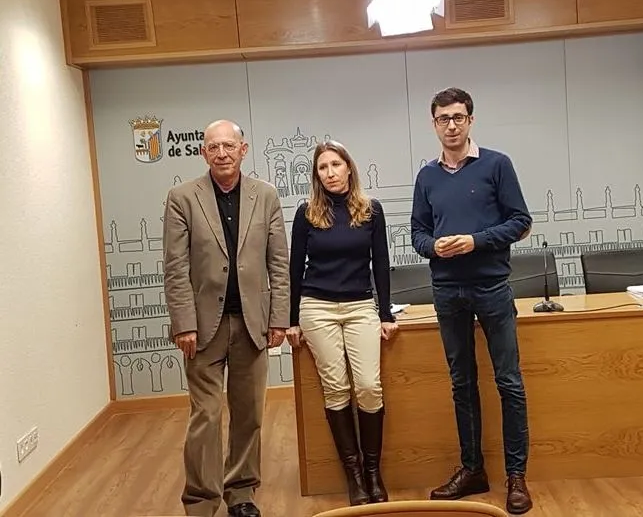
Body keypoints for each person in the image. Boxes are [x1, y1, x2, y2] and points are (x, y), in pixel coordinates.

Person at [410, 88, 534, 514]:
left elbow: (521, 222)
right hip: (447, 291)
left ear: (470, 121)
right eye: (443, 118)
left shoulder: (497, 164)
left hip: (491, 287)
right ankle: (472, 469)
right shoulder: (426, 176)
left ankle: (516, 476)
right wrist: (434, 248)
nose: (451, 125)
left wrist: (475, 242)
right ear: (434, 124)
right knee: (461, 383)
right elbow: (417, 235)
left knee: (508, 382)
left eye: (458, 117)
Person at [163, 120, 290, 517]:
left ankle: (241, 493)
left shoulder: (265, 196)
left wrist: (279, 318)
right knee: (206, 414)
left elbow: (279, 263)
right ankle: (201, 500)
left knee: (248, 412)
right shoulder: (183, 197)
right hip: (202, 327)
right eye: (214, 146)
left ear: (243, 149)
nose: (221, 153)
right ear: (204, 153)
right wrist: (183, 322)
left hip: (253, 322)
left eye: (228, 146)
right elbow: (175, 266)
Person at [285, 139, 399, 506]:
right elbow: (294, 268)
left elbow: (380, 263)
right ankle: (354, 478)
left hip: (360, 306)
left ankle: (372, 471)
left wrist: (384, 313)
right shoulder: (306, 214)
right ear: (317, 175)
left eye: (335, 164)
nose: (330, 172)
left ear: (349, 167)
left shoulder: (371, 211)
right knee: (336, 389)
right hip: (316, 307)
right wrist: (291, 321)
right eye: (323, 168)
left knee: (368, 386)